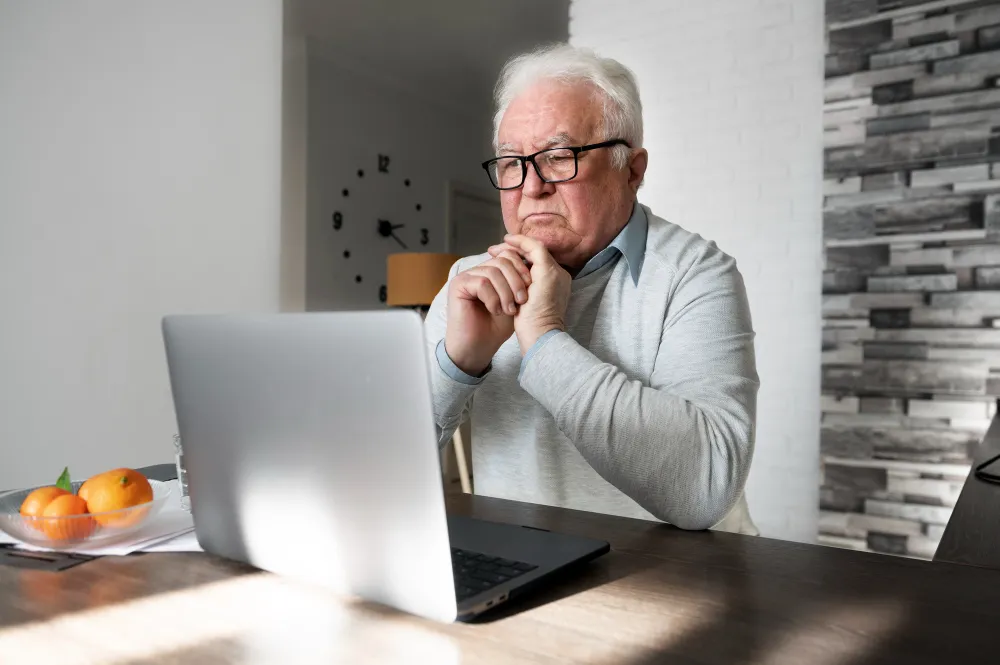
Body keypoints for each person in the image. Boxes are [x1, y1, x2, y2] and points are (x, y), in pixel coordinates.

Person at [424, 44, 760, 534]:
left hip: (676, 584)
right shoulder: (471, 285)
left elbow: (706, 488)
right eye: (511, 162)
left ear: (633, 169)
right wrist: (457, 365)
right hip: (521, 574)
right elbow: (372, 468)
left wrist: (543, 340)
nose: (530, 186)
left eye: (559, 157)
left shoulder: (698, 273)